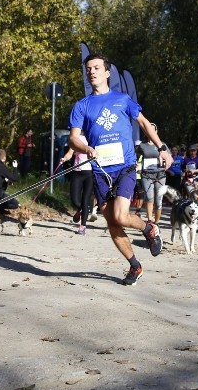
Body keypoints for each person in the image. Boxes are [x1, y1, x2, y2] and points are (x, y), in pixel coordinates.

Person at [68, 52, 171, 286]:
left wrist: (162, 148)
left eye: (96, 68)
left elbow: (144, 123)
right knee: (112, 223)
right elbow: (74, 139)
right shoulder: (82, 106)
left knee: (120, 216)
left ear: (107, 72)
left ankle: (149, 228)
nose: (91, 72)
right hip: (99, 170)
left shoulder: (122, 100)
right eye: (88, 69)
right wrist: (86, 147)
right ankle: (135, 266)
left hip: (124, 165)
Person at [60, 134, 94, 234]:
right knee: (74, 200)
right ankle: (82, 209)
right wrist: (65, 159)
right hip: (77, 172)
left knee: (85, 200)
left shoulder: (93, 137)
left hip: (90, 173)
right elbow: (70, 153)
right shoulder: (77, 138)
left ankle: (82, 226)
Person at [138, 125, 168, 224]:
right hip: (147, 175)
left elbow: (168, 158)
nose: (150, 131)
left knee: (158, 199)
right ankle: (150, 221)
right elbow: (135, 157)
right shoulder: (142, 145)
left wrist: (164, 163)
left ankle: (157, 222)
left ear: (156, 131)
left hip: (160, 175)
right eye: (147, 129)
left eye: (152, 129)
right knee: (149, 197)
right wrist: (137, 166)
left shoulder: (162, 145)